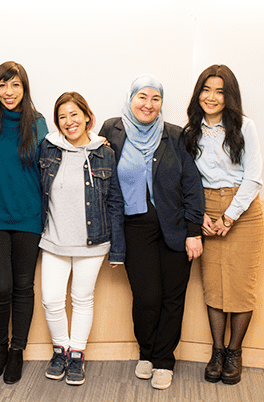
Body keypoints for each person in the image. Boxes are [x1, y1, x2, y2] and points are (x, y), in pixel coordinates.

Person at [100, 75, 204, 390]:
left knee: (173, 297)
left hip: (175, 226)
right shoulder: (112, 130)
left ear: (161, 102)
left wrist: (194, 230)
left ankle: (164, 360)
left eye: (155, 98)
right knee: (147, 296)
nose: (148, 104)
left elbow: (192, 184)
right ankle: (146, 352)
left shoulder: (175, 136)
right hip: (134, 226)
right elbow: (98, 166)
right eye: (142, 97)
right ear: (131, 98)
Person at [180, 65, 262, 386]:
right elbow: (189, 180)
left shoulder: (244, 126)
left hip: (244, 212)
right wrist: (199, 215)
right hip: (206, 208)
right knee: (213, 285)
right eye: (206, 90)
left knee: (241, 287)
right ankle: (216, 351)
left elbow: (254, 176)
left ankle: (234, 352)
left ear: (229, 96)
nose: (211, 97)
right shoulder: (190, 132)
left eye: (219, 91)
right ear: (198, 93)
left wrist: (230, 216)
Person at [37, 92, 124, 386]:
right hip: (53, 240)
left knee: (83, 299)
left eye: (74, 114)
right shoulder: (47, 148)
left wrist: (117, 250)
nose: (69, 121)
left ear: (88, 116)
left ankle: (77, 355)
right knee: (51, 300)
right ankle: (60, 349)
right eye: (62, 116)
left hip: (93, 242)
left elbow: (114, 202)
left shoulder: (105, 152)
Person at [0, 61, 48, 384]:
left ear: (24, 88)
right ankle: (0, 348)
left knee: (23, 287)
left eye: (15, 85)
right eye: (3, 85)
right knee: (0, 286)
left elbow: (57, 159)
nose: (9, 92)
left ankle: (18, 350)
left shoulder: (39, 123)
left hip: (29, 216)